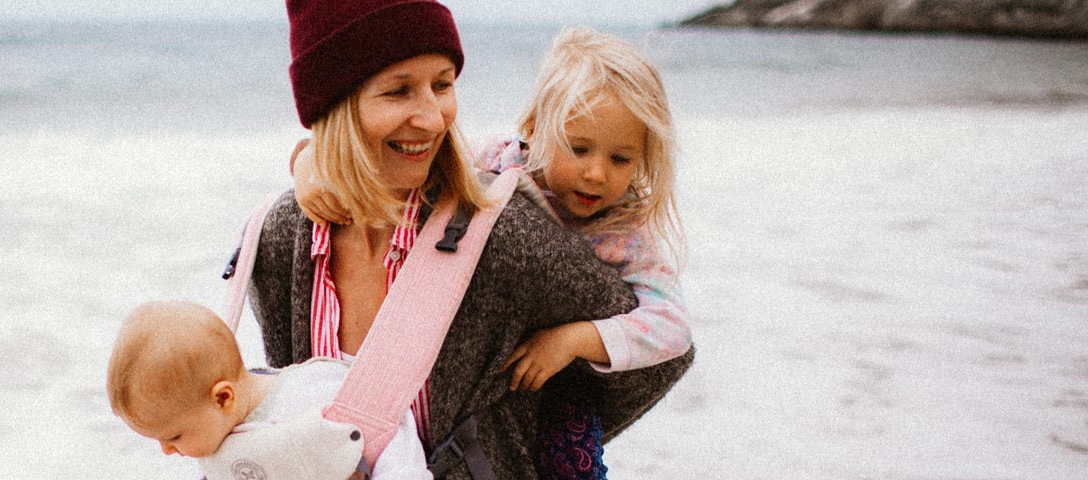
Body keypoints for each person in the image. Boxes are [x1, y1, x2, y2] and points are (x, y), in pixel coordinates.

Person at [248, 1, 693, 478]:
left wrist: (512, 439)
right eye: (399, 91)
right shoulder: (282, 235)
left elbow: (664, 356)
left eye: (443, 84)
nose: (435, 119)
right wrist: (311, 163)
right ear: (331, 103)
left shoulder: (510, 237)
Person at [106, 300, 431, 479]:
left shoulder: (310, 393)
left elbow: (388, 426)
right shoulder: (216, 440)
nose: (166, 450)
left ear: (223, 398)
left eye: (174, 436)